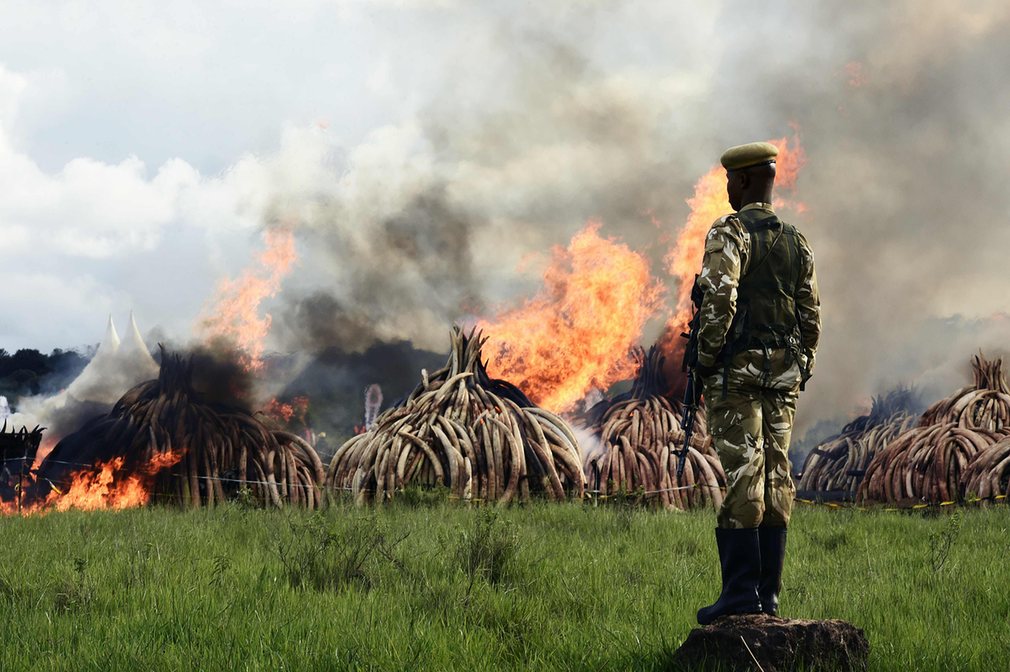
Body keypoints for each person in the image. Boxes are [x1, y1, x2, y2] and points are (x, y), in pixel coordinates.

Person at [691, 141, 821, 625]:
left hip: (738, 376)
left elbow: (719, 301)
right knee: (777, 477)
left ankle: (741, 594)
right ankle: (768, 596)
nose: (727, 187)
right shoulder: (796, 241)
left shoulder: (729, 232)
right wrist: (800, 366)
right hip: (782, 378)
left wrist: (706, 359)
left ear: (744, 180)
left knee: (746, 477)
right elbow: (811, 315)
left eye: (730, 179)